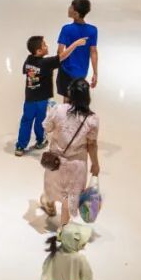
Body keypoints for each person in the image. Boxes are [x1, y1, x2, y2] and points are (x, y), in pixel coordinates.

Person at [16, 35, 87, 156]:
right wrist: (75, 44)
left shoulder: (28, 61)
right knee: (40, 120)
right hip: (42, 99)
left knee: (26, 120)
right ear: (39, 51)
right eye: (44, 45)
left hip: (29, 99)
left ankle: (20, 146)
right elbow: (62, 56)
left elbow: (27, 71)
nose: (47, 46)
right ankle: (40, 141)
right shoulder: (45, 63)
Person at [40, 79, 99, 224]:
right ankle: (63, 228)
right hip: (76, 166)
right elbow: (92, 144)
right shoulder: (92, 119)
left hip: (55, 162)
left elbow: (47, 127)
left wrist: (50, 113)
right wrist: (95, 164)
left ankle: (50, 205)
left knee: (52, 186)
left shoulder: (58, 110)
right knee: (68, 199)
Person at [56, 0, 99, 97]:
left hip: (66, 70)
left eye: (71, 7)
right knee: (77, 98)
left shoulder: (66, 29)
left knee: (67, 99)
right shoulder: (93, 30)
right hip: (82, 72)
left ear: (76, 14)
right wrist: (95, 73)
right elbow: (93, 52)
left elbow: (59, 52)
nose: (68, 8)